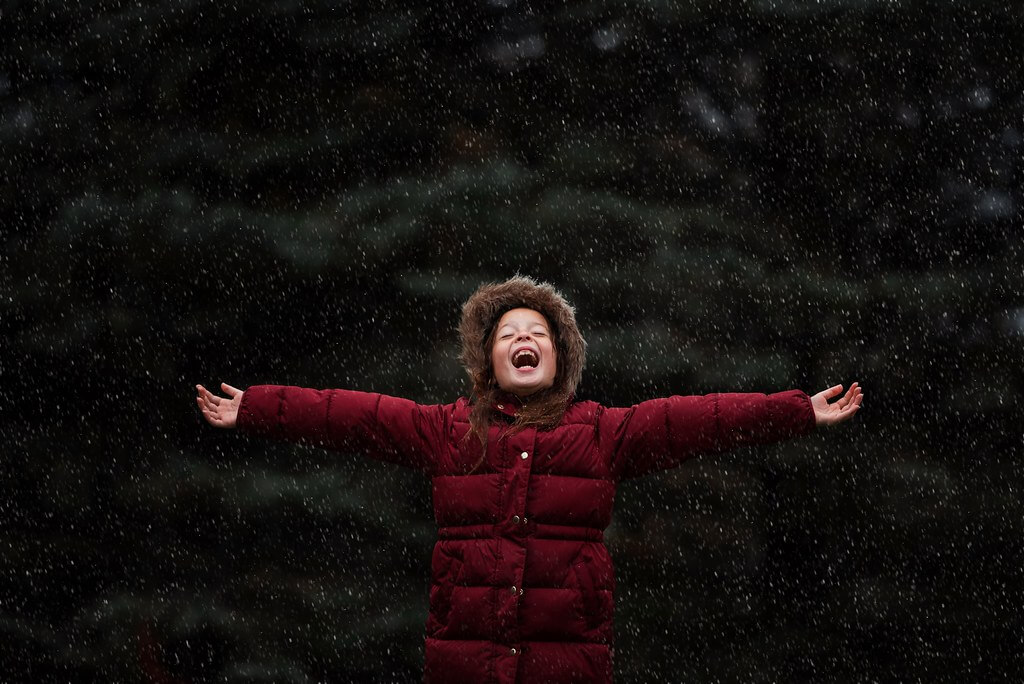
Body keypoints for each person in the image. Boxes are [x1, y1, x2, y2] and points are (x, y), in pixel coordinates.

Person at [196, 276, 862, 683]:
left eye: (537, 332)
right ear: (488, 361)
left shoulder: (604, 432)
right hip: (466, 662)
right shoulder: (449, 431)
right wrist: (255, 405)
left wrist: (797, 410)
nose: (523, 337)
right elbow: (352, 416)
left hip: (564, 663)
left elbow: (701, 421)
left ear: (558, 357)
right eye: (508, 331)